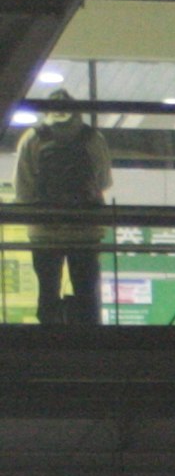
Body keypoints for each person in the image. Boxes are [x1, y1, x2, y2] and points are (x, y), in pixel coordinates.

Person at [15, 81, 108, 327]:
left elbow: (22, 191)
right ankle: (89, 342)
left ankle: (48, 339)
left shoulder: (32, 139)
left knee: (47, 291)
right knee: (87, 292)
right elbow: (104, 182)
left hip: (45, 231)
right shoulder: (93, 138)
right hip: (86, 230)